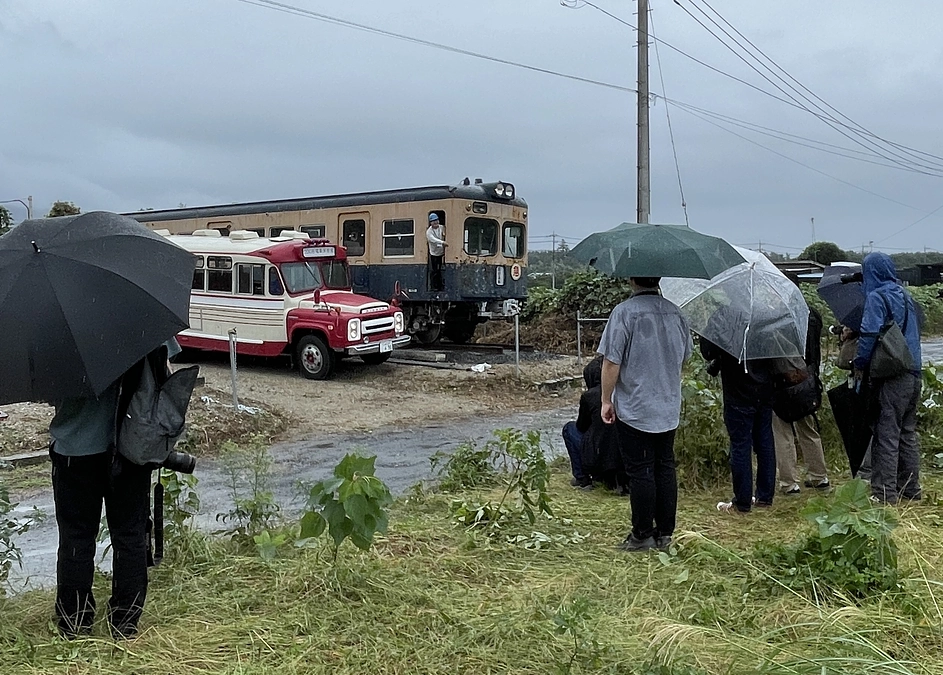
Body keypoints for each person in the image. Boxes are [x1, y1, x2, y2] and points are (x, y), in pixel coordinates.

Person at [50, 339, 180, 639]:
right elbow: (166, 374)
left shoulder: (59, 326)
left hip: (75, 448)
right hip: (129, 447)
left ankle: (74, 622)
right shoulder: (140, 313)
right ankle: (126, 623)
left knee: (76, 537)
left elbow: (49, 388)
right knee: (130, 536)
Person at [598, 277, 692, 552]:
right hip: (668, 405)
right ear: (658, 279)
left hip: (636, 406)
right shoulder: (676, 312)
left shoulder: (624, 313)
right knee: (665, 467)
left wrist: (606, 399)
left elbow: (611, 361)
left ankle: (642, 534)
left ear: (630, 279)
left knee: (640, 470)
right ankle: (665, 533)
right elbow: (685, 356)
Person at [853, 252, 923, 504]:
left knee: (887, 434)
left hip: (892, 375)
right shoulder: (905, 295)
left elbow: (870, 333)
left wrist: (860, 363)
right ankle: (911, 489)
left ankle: (885, 493)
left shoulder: (876, 296)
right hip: (914, 372)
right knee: (907, 432)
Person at [700, 308, 780, 513]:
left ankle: (742, 502)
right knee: (764, 440)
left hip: (737, 390)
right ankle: (765, 497)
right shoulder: (766, 314)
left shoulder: (724, 315)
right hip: (765, 388)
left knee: (740, 445)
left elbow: (707, 351)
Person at [773, 300, 830, 495]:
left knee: (782, 433)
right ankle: (819, 476)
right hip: (808, 378)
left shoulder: (778, 318)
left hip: (784, 380)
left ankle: (789, 483)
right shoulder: (812, 313)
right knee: (808, 428)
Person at [561, 356, 624, 491]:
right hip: (623, 458)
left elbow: (581, 427)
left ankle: (582, 478)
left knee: (569, 428)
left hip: (597, 456)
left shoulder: (589, 396)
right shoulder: (623, 392)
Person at [426, 213, 447, 291]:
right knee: (435, 270)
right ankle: (434, 286)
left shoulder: (442, 227)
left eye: (437, 221)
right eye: (434, 221)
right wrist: (442, 242)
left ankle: (441, 285)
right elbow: (433, 240)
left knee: (441, 270)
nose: (436, 223)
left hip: (442, 252)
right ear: (431, 223)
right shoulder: (429, 232)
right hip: (434, 254)